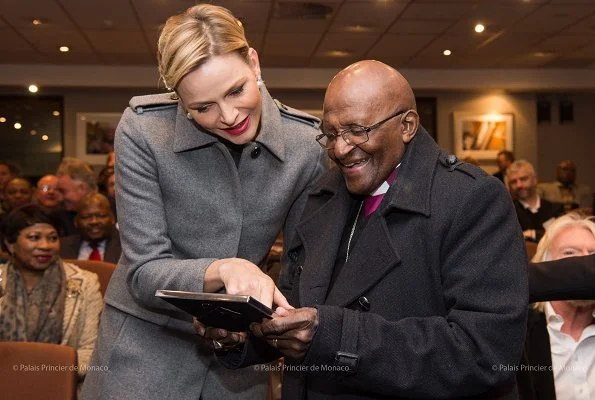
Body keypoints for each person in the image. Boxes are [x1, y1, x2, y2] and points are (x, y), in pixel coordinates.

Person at [214, 61, 528, 399]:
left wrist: (335, 336)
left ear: (407, 126)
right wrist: (244, 334)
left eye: (357, 130)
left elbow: (485, 354)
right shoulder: (322, 196)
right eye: (331, 133)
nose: (340, 148)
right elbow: (297, 315)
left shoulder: (470, 199)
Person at [81, 4, 326, 400]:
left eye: (236, 90)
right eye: (202, 107)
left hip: (240, 358)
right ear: (178, 97)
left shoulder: (306, 145)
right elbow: (143, 272)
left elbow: (302, 269)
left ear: (255, 63)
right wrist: (225, 268)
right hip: (145, 347)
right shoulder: (144, 130)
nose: (229, 116)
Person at [0, 204, 103, 388]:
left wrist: (38, 369)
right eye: (34, 237)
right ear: (10, 243)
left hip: (60, 387)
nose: (45, 246)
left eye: (52, 238)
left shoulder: (85, 283)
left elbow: (92, 352)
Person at [519, 213, 595, 400]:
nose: (581, 266)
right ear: (544, 264)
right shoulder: (519, 334)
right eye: (570, 254)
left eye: (593, 256)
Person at [507, 160, 564, 242]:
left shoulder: (554, 209)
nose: (519, 185)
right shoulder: (509, 213)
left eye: (523, 179)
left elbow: (562, 237)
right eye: (513, 182)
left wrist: (533, 234)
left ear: (535, 179)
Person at [60, 193, 121, 264]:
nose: (94, 222)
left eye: (101, 216)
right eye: (86, 217)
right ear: (76, 221)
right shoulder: (61, 247)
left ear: (113, 219)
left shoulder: (125, 247)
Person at [56, 157, 98, 236]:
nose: (60, 198)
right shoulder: (60, 217)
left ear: (82, 188)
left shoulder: (114, 210)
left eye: (63, 191)